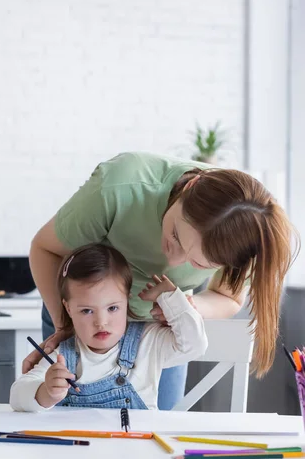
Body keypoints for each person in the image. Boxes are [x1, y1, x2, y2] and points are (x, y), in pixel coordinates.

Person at [10, 243, 208, 459]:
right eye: (86, 310)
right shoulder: (61, 355)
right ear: (68, 310)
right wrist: (43, 392)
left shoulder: (148, 342)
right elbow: (17, 394)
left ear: (127, 302)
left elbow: (194, 345)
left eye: (112, 308)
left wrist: (171, 298)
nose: (101, 321)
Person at [25, 152, 297, 409]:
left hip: (156, 335)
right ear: (191, 186)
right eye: (176, 236)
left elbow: (227, 298)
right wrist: (65, 325)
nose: (174, 261)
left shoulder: (245, 233)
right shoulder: (120, 186)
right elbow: (45, 249)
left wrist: (184, 307)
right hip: (80, 317)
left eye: (198, 264)